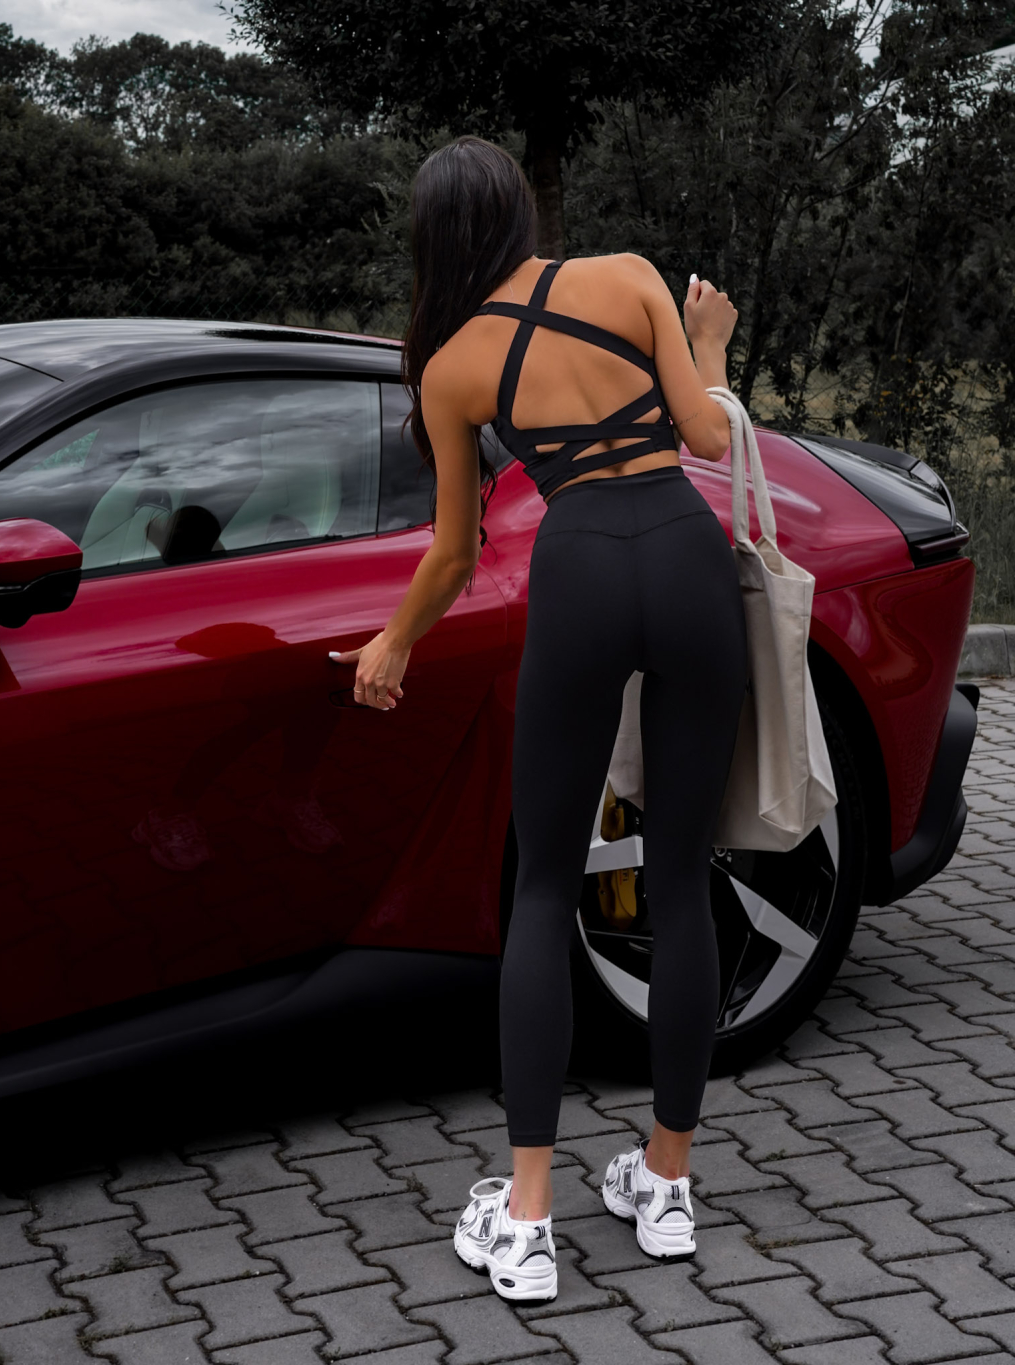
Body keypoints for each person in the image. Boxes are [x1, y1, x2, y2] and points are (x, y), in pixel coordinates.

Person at [335, 136, 748, 1304]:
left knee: (541, 889)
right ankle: (666, 1184)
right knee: (679, 877)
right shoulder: (626, 276)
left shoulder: (450, 367)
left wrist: (393, 642)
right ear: (519, 212)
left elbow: (454, 553)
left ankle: (525, 1220)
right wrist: (710, 345)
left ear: (431, 239)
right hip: (686, 560)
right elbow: (709, 440)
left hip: (580, 575)